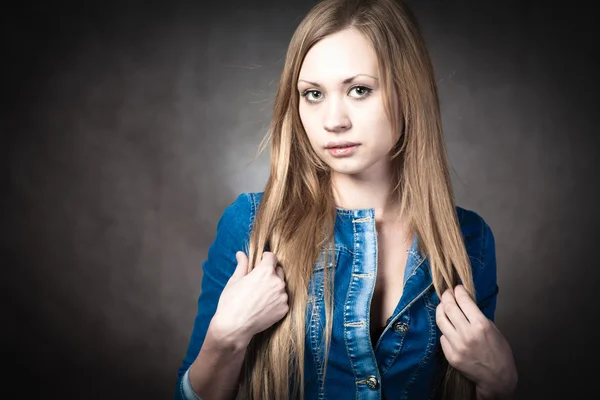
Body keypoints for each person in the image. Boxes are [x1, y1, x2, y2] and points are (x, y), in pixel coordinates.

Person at [174, 0, 518, 399]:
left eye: (359, 90)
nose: (333, 120)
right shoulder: (252, 226)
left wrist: (500, 382)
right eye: (314, 94)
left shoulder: (469, 241)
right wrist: (226, 336)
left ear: (409, 92)